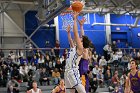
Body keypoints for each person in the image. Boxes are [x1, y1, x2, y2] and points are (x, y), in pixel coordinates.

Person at [64, 12, 87, 93]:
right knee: (69, 91)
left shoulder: (80, 49)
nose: (78, 39)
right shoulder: (73, 47)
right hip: (67, 71)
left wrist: (80, 25)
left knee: (81, 91)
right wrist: (68, 33)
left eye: (80, 40)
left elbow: (80, 36)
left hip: (73, 70)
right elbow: (70, 40)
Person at [78, 17, 90, 93]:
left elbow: (83, 38)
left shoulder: (85, 50)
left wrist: (81, 26)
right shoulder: (78, 50)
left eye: (81, 41)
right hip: (76, 75)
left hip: (83, 76)